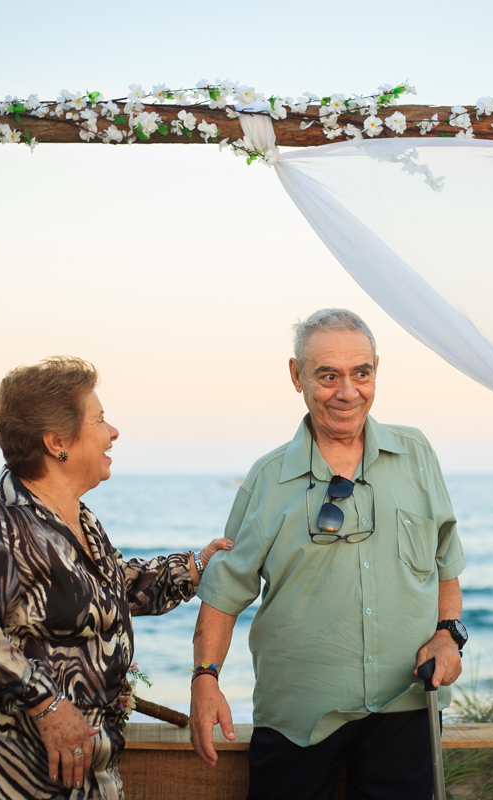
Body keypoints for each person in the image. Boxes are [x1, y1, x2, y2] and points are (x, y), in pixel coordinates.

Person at [0, 356, 232, 800]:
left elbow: (106, 592)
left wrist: (193, 568)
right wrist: (46, 703)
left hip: (69, 767)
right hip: (0, 768)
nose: (113, 432)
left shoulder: (76, 518)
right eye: (100, 419)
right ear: (57, 442)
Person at [189, 309, 469, 799]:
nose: (347, 391)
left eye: (361, 373)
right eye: (328, 376)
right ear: (296, 376)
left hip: (408, 708)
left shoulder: (418, 453)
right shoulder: (267, 478)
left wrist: (448, 635)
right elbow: (224, 592)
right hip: (298, 716)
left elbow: (445, 560)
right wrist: (205, 679)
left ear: (376, 370)